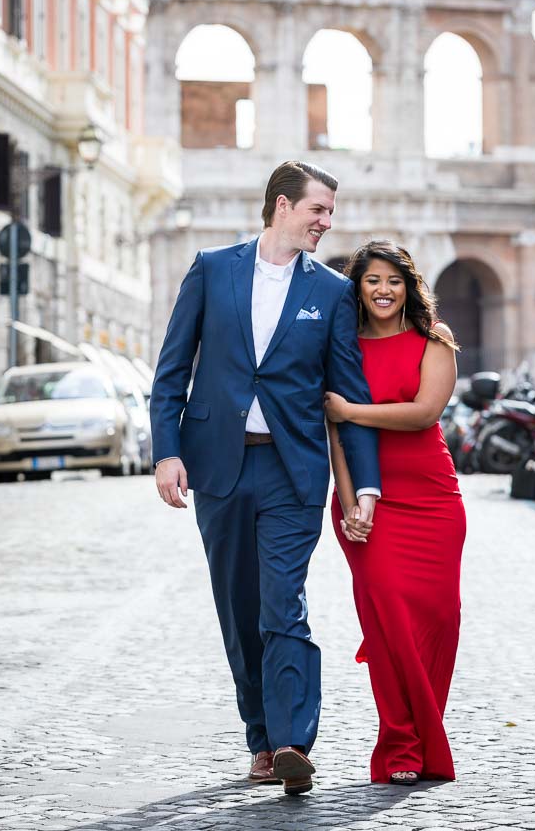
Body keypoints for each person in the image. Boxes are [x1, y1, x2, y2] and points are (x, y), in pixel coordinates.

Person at [150, 161, 380, 795]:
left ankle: (291, 742)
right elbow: (172, 372)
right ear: (283, 206)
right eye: (319, 210)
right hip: (218, 464)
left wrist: (365, 484)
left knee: (284, 603)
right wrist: (167, 452)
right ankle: (260, 737)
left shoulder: (331, 291)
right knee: (239, 607)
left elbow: (348, 390)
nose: (327, 223)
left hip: (291, 469)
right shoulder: (212, 268)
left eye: (330, 212)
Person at [324, 240, 466, 786]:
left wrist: (352, 408)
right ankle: (402, 743)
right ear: (357, 289)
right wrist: (346, 499)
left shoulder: (434, 342)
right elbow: (336, 436)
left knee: (436, 620)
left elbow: (424, 413)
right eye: (372, 281)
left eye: (394, 281)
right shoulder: (342, 347)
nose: (383, 291)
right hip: (366, 503)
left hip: (432, 500)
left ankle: (425, 733)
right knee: (385, 623)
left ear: (409, 287)